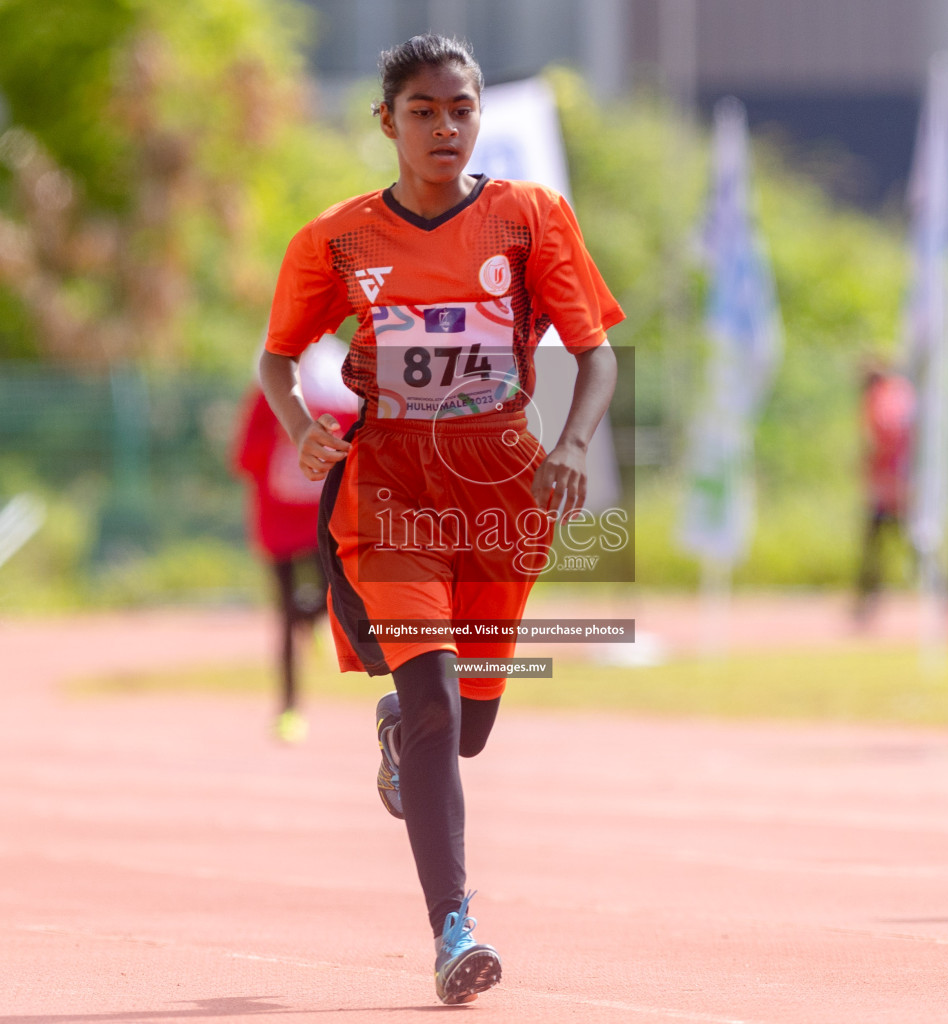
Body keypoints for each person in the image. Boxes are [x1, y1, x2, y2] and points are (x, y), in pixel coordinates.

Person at [257, 34, 621, 1005]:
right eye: (423, 111)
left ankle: (399, 732)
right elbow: (276, 356)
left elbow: (598, 356)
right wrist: (300, 426)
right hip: (391, 488)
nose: (445, 127)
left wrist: (574, 444)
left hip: (502, 489)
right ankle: (452, 925)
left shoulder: (531, 220)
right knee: (433, 701)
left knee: (466, 731)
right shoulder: (338, 239)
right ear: (388, 122)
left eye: (460, 109)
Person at [231, 338, 358, 743]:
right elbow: (245, 456)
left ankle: (316, 619)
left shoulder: (335, 383)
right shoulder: (268, 390)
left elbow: (354, 449)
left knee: (334, 596)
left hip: (320, 521)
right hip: (277, 521)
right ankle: (289, 707)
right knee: (285, 615)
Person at [854, 355, 915, 625]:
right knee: (878, 544)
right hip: (894, 484)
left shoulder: (881, 398)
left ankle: (867, 601)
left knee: (891, 544)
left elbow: (884, 441)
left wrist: (872, 464)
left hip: (891, 487)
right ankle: (867, 601)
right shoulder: (899, 395)